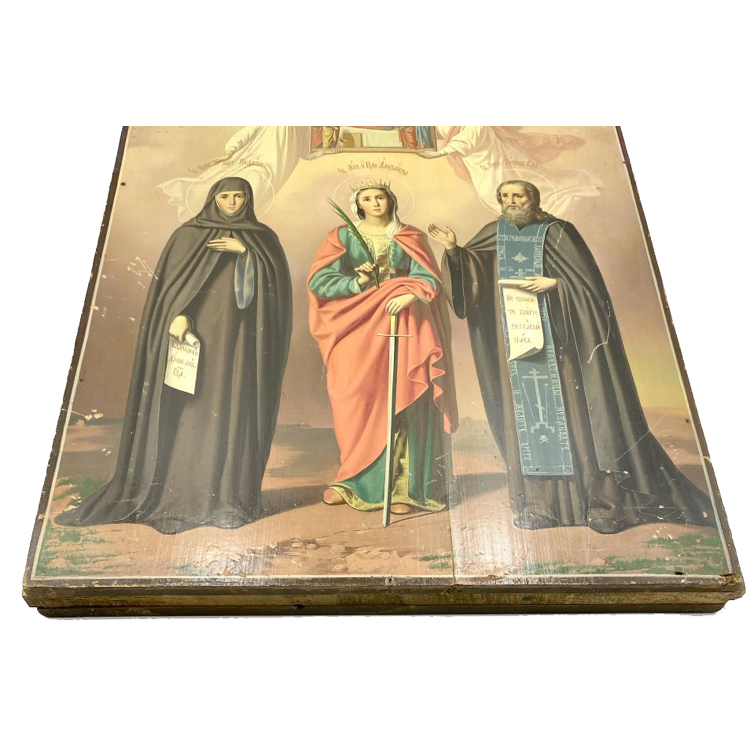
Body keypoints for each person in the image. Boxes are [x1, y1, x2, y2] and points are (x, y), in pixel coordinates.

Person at [428, 180, 714, 534]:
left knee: (578, 421)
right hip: (516, 349)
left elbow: (590, 289)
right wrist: (454, 251)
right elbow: (474, 281)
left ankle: (602, 504)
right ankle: (541, 506)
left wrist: (555, 284)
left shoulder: (559, 231)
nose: (511, 202)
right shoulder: (493, 233)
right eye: (505, 196)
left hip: (562, 349)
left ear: (533, 198)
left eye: (518, 195)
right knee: (530, 422)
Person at [57, 177, 292, 534]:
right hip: (198, 338)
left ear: (248, 199)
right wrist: (179, 316)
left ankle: (228, 501)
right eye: (225, 196)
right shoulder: (188, 236)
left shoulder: (263, 238)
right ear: (213, 198)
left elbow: (276, 295)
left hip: (240, 345)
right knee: (188, 412)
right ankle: (178, 499)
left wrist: (247, 253)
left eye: (239, 196)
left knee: (232, 410)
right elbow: (172, 290)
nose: (232, 203)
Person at [309, 180, 457, 515]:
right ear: (358, 205)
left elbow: (428, 277)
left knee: (405, 396)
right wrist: (357, 281)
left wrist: (411, 293)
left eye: (381, 197)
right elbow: (320, 282)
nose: (375, 203)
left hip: (403, 321)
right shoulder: (341, 236)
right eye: (368, 198)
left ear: (391, 201)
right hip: (357, 325)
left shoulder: (410, 236)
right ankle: (354, 481)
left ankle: (404, 488)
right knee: (358, 399)